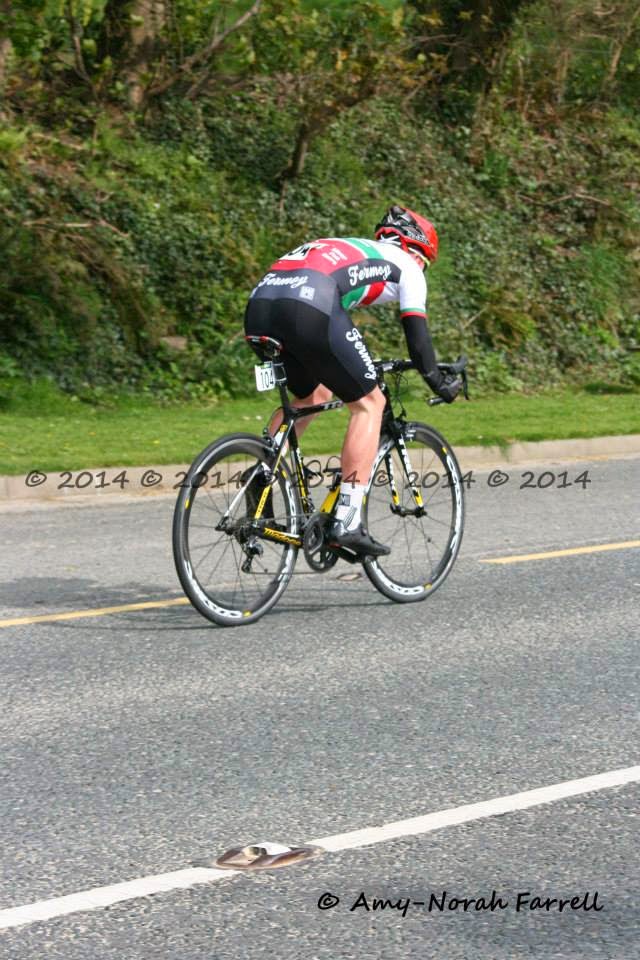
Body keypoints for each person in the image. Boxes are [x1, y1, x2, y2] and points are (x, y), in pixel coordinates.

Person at [244, 204, 461, 557]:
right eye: (426, 263)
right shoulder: (408, 266)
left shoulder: (354, 248)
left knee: (313, 395)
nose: (423, 271)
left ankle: (260, 476)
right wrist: (437, 381)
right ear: (416, 250)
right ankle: (347, 520)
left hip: (259, 306)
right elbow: (417, 339)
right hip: (308, 303)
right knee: (370, 403)